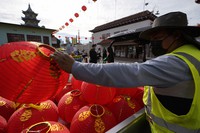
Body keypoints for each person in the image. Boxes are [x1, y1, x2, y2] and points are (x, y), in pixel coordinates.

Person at [51, 11, 200, 132]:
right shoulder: (194, 55)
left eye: (158, 37)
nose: (154, 42)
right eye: (152, 38)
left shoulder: (175, 63)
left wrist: (76, 67)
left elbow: (129, 72)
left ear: (177, 35)